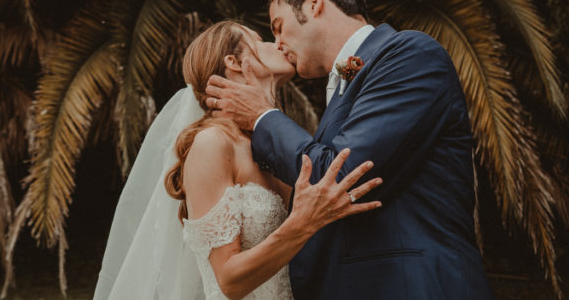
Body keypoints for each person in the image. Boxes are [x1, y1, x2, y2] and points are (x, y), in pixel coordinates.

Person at [206, 0, 494, 300]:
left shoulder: (411, 54)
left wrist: (262, 116)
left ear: (314, 3)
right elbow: (352, 68)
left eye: (279, 27)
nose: (279, 44)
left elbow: (341, 175)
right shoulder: (350, 75)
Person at [95, 21, 381, 300]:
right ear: (233, 62)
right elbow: (229, 281)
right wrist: (303, 223)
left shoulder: (271, 142)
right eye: (259, 41)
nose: (277, 44)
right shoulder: (213, 143)